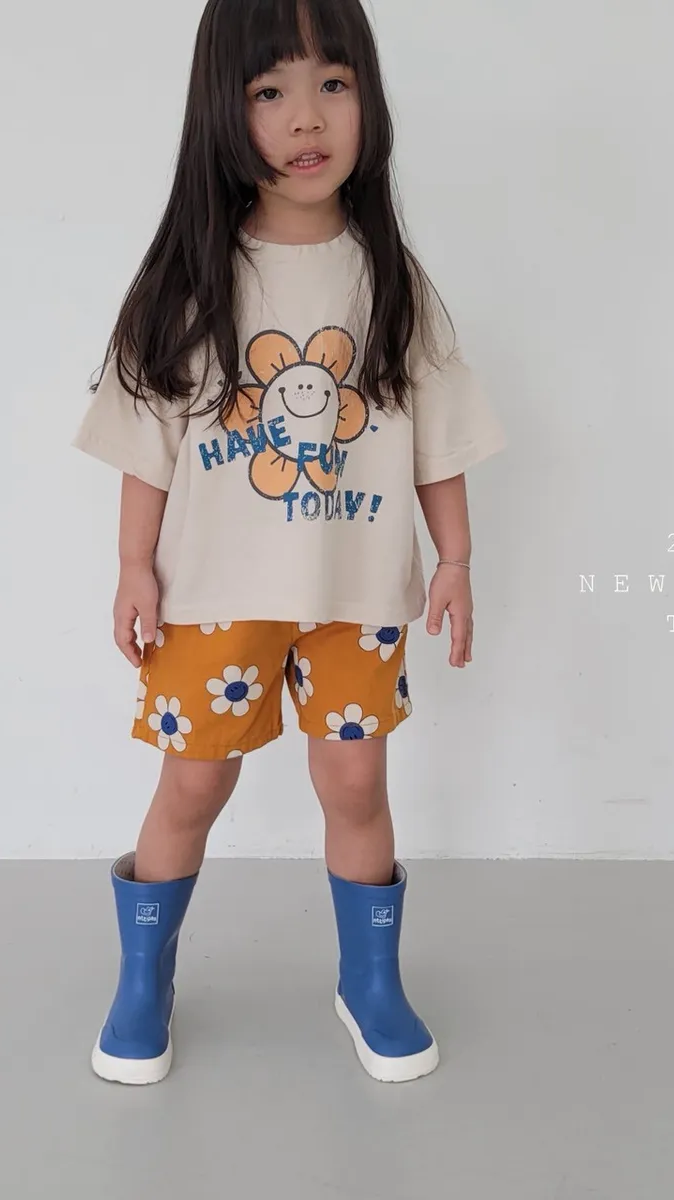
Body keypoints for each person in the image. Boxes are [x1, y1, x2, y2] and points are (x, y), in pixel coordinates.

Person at [72, 0, 507, 1087]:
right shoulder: (191, 280)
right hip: (214, 595)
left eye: (333, 84)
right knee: (192, 786)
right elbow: (147, 442)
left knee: (356, 784)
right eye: (270, 90)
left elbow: (437, 440)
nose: (306, 117)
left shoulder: (392, 281)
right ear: (224, 112)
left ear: (368, 100)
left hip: (357, 595)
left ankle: (370, 983)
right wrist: (132, 565)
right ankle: (143, 979)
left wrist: (454, 560)